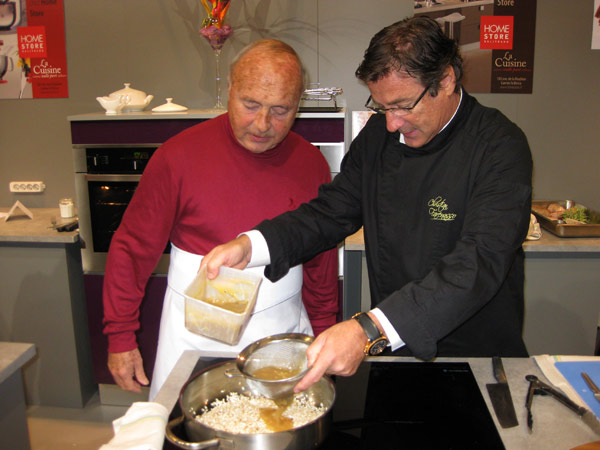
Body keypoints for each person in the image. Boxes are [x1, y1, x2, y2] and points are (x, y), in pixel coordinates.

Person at [201, 17, 533, 392]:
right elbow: (330, 211)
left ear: (445, 80)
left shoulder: (498, 145)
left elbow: (478, 261)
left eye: (404, 106)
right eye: (382, 106)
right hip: (396, 351)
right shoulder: (378, 137)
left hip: (476, 359)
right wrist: (254, 244)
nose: (391, 123)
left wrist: (367, 330)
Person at [102, 39, 339, 399]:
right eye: (250, 105)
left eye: (280, 110)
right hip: (194, 338)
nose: (262, 124)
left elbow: (321, 261)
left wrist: (324, 330)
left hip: (282, 333)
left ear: (298, 105)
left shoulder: (311, 163)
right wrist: (120, 335)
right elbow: (132, 249)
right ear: (230, 89)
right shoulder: (177, 157)